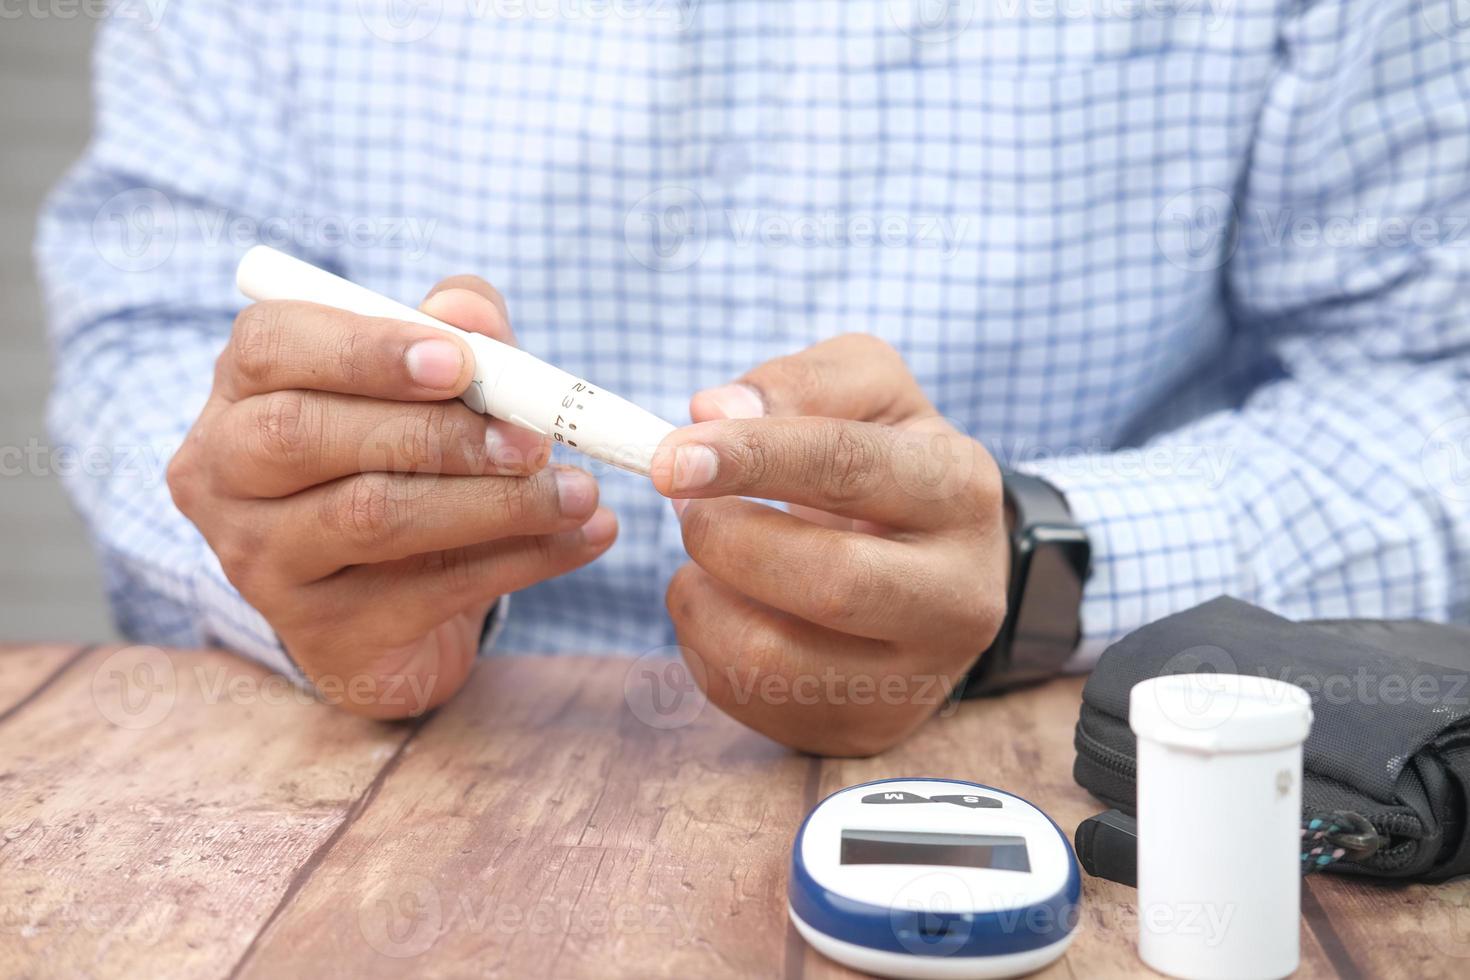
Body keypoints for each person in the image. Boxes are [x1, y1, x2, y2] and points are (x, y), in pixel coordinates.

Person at [36, 1, 1470, 754]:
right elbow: (146, 334)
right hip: (409, 763)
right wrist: (292, 550)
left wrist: (1039, 567)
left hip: (1066, 750)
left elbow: (1430, 393)